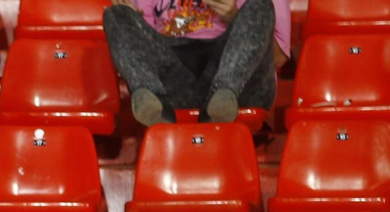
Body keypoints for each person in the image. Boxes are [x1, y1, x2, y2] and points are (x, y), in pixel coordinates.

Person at [102, 0, 290, 127]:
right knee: (115, 14)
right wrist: (134, 23)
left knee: (260, 4)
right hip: (177, 76)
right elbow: (146, 54)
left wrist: (234, 16)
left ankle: (224, 98)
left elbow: (278, 58)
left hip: (237, 80)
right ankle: (155, 105)